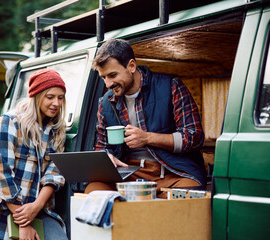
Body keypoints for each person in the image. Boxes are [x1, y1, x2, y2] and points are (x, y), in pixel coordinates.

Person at [85, 39, 207, 198]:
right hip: (128, 177)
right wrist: (105, 156)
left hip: (172, 174)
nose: (108, 84)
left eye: (112, 75)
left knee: (189, 194)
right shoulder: (105, 103)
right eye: (103, 77)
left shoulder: (171, 86)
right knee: (93, 192)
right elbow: (101, 146)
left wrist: (147, 138)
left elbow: (194, 137)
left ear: (131, 66)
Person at [0, 69, 68, 240]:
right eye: (50, 97)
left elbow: (54, 174)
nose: (56, 103)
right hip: (4, 212)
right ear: (36, 96)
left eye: (60, 97)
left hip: (39, 210)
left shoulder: (56, 131)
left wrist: (36, 206)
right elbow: (2, 175)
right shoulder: (8, 123)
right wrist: (23, 223)